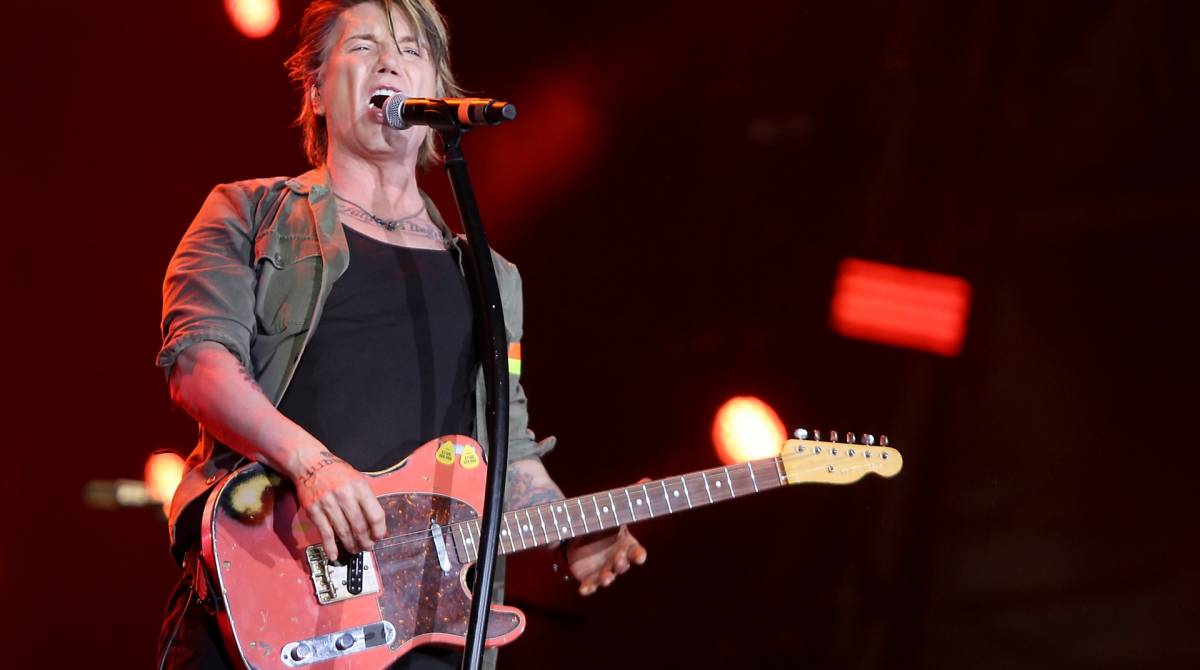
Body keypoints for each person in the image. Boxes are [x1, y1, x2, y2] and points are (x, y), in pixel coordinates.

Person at [154, 1, 646, 668]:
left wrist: (569, 531)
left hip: (422, 630)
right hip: (265, 607)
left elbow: (511, 452)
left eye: (411, 50)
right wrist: (312, 464)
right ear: (316, 89)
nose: (390, 60)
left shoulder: (491, 277)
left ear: (439, 93)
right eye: (362, 47)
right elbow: (199, 365)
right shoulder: (248, 212)